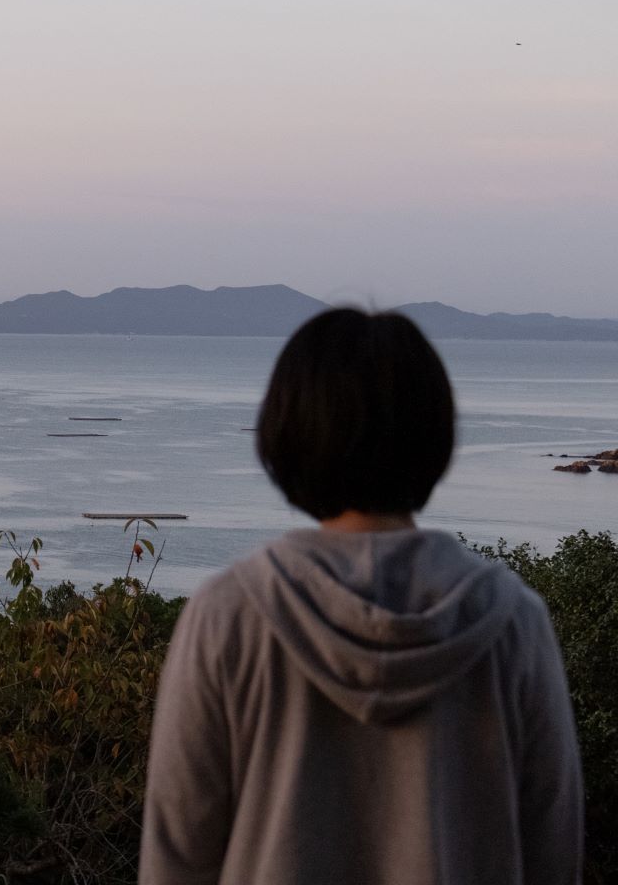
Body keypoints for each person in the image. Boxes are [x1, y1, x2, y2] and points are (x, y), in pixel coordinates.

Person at [141, 308, 583, 885]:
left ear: (287, 438)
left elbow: (176, 854)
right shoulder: (512, 622)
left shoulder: (227, 617)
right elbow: (554, 849)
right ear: (435, 437)